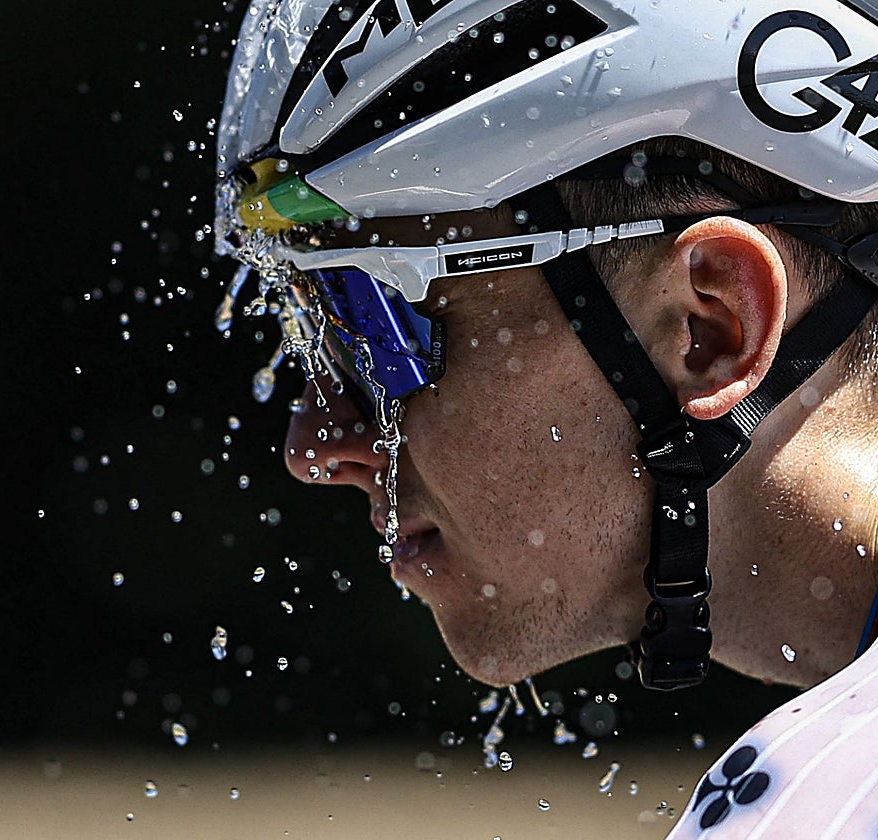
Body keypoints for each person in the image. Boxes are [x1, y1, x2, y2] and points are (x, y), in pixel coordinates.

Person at [213, 0, 878, 834]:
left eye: (379, 326)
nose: (314, 446)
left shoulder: (822, 799)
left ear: (712, 329)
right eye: (311, 323)